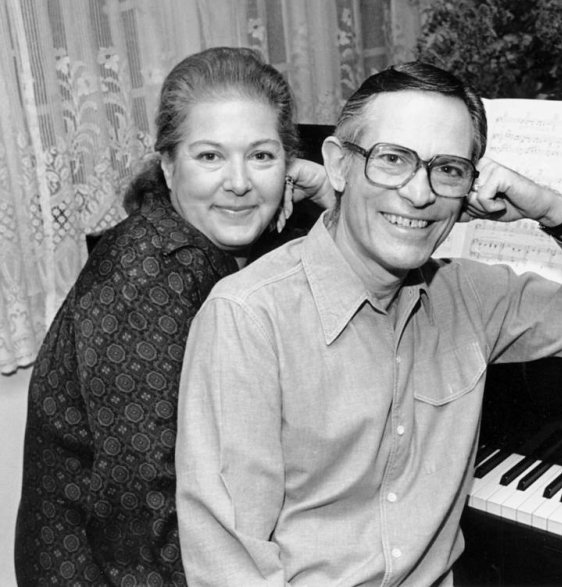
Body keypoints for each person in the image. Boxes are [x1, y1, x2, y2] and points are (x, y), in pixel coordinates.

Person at [175, 61, 562, 586]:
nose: (420, 194)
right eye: (392, 159)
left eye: (448, 169)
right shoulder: (247, 318)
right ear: (339, 166)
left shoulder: (469, 296)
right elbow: (229, 570)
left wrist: (554, 211)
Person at [14, 46, 333, 587]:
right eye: (210, 156)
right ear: (167, 166)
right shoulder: (146, 276)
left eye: (261, 155)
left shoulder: (241, 241)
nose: (239, 182)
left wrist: (326, 193)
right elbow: (146, 512)